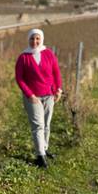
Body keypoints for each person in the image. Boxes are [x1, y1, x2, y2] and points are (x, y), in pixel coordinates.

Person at [15, 28, 62, 168]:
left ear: (41, 39)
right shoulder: (23, 57)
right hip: (33, 98)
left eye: (37, 38)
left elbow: (56, 72)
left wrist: (58, 89)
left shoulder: (48, 54)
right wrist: (30, 95)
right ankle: (40, 156)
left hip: (49, 95)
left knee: (47, 124)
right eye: (32, 39)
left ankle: (45, 149)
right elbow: (19, 78)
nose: (34, 41)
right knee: (38, 125)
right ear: (28, 40)